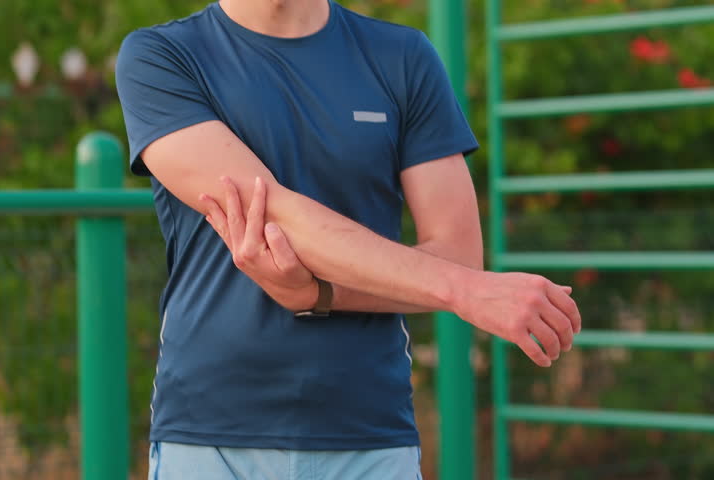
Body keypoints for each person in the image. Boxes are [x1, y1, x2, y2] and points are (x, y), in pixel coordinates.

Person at [115, 0, 582, 478]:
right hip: (209, 437)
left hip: (371, 433)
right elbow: (275, 214)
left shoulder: (403, 55)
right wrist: (464, 290)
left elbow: (458, 252)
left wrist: (322, 294)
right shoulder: (160, 56)